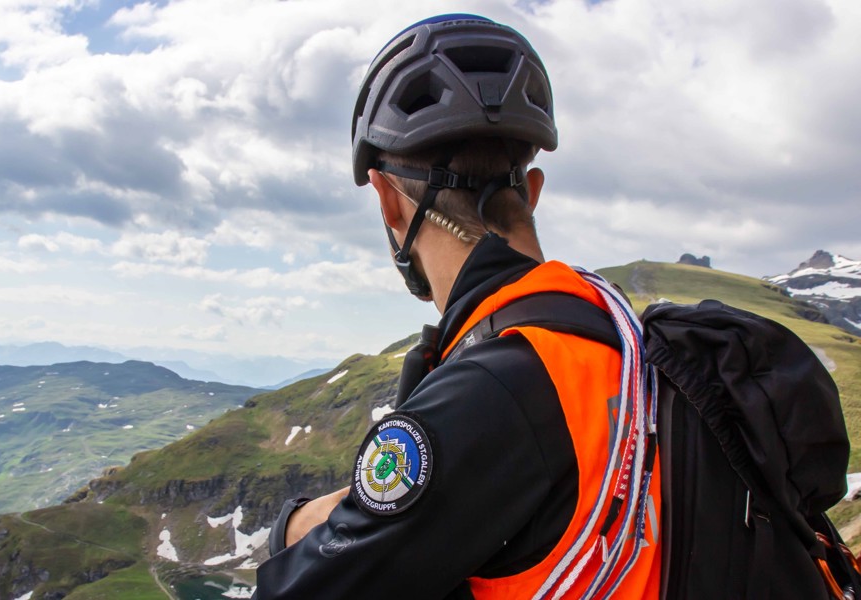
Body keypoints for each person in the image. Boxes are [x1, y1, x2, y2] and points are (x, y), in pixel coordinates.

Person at [253, 14, 661, 599]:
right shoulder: (618, 336)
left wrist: (289, 529)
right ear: (533, 193)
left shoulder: (493, 390)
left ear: (389, 201)